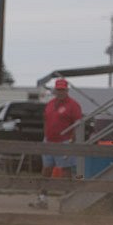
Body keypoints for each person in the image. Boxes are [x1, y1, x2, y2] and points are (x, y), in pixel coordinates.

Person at [31, 78, 82, 210]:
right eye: (58, 89)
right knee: (46, 169)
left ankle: (68, 199)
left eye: (62, 90)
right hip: (49, 140)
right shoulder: (50, 104)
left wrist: (72, 140)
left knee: (66, 170)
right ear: (55, 90)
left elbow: (78, 125)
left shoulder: (73, 105)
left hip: (64, 141)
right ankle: (42, 198)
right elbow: (46, 120)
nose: (60, 92)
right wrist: (45, 135)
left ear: (67, 90)